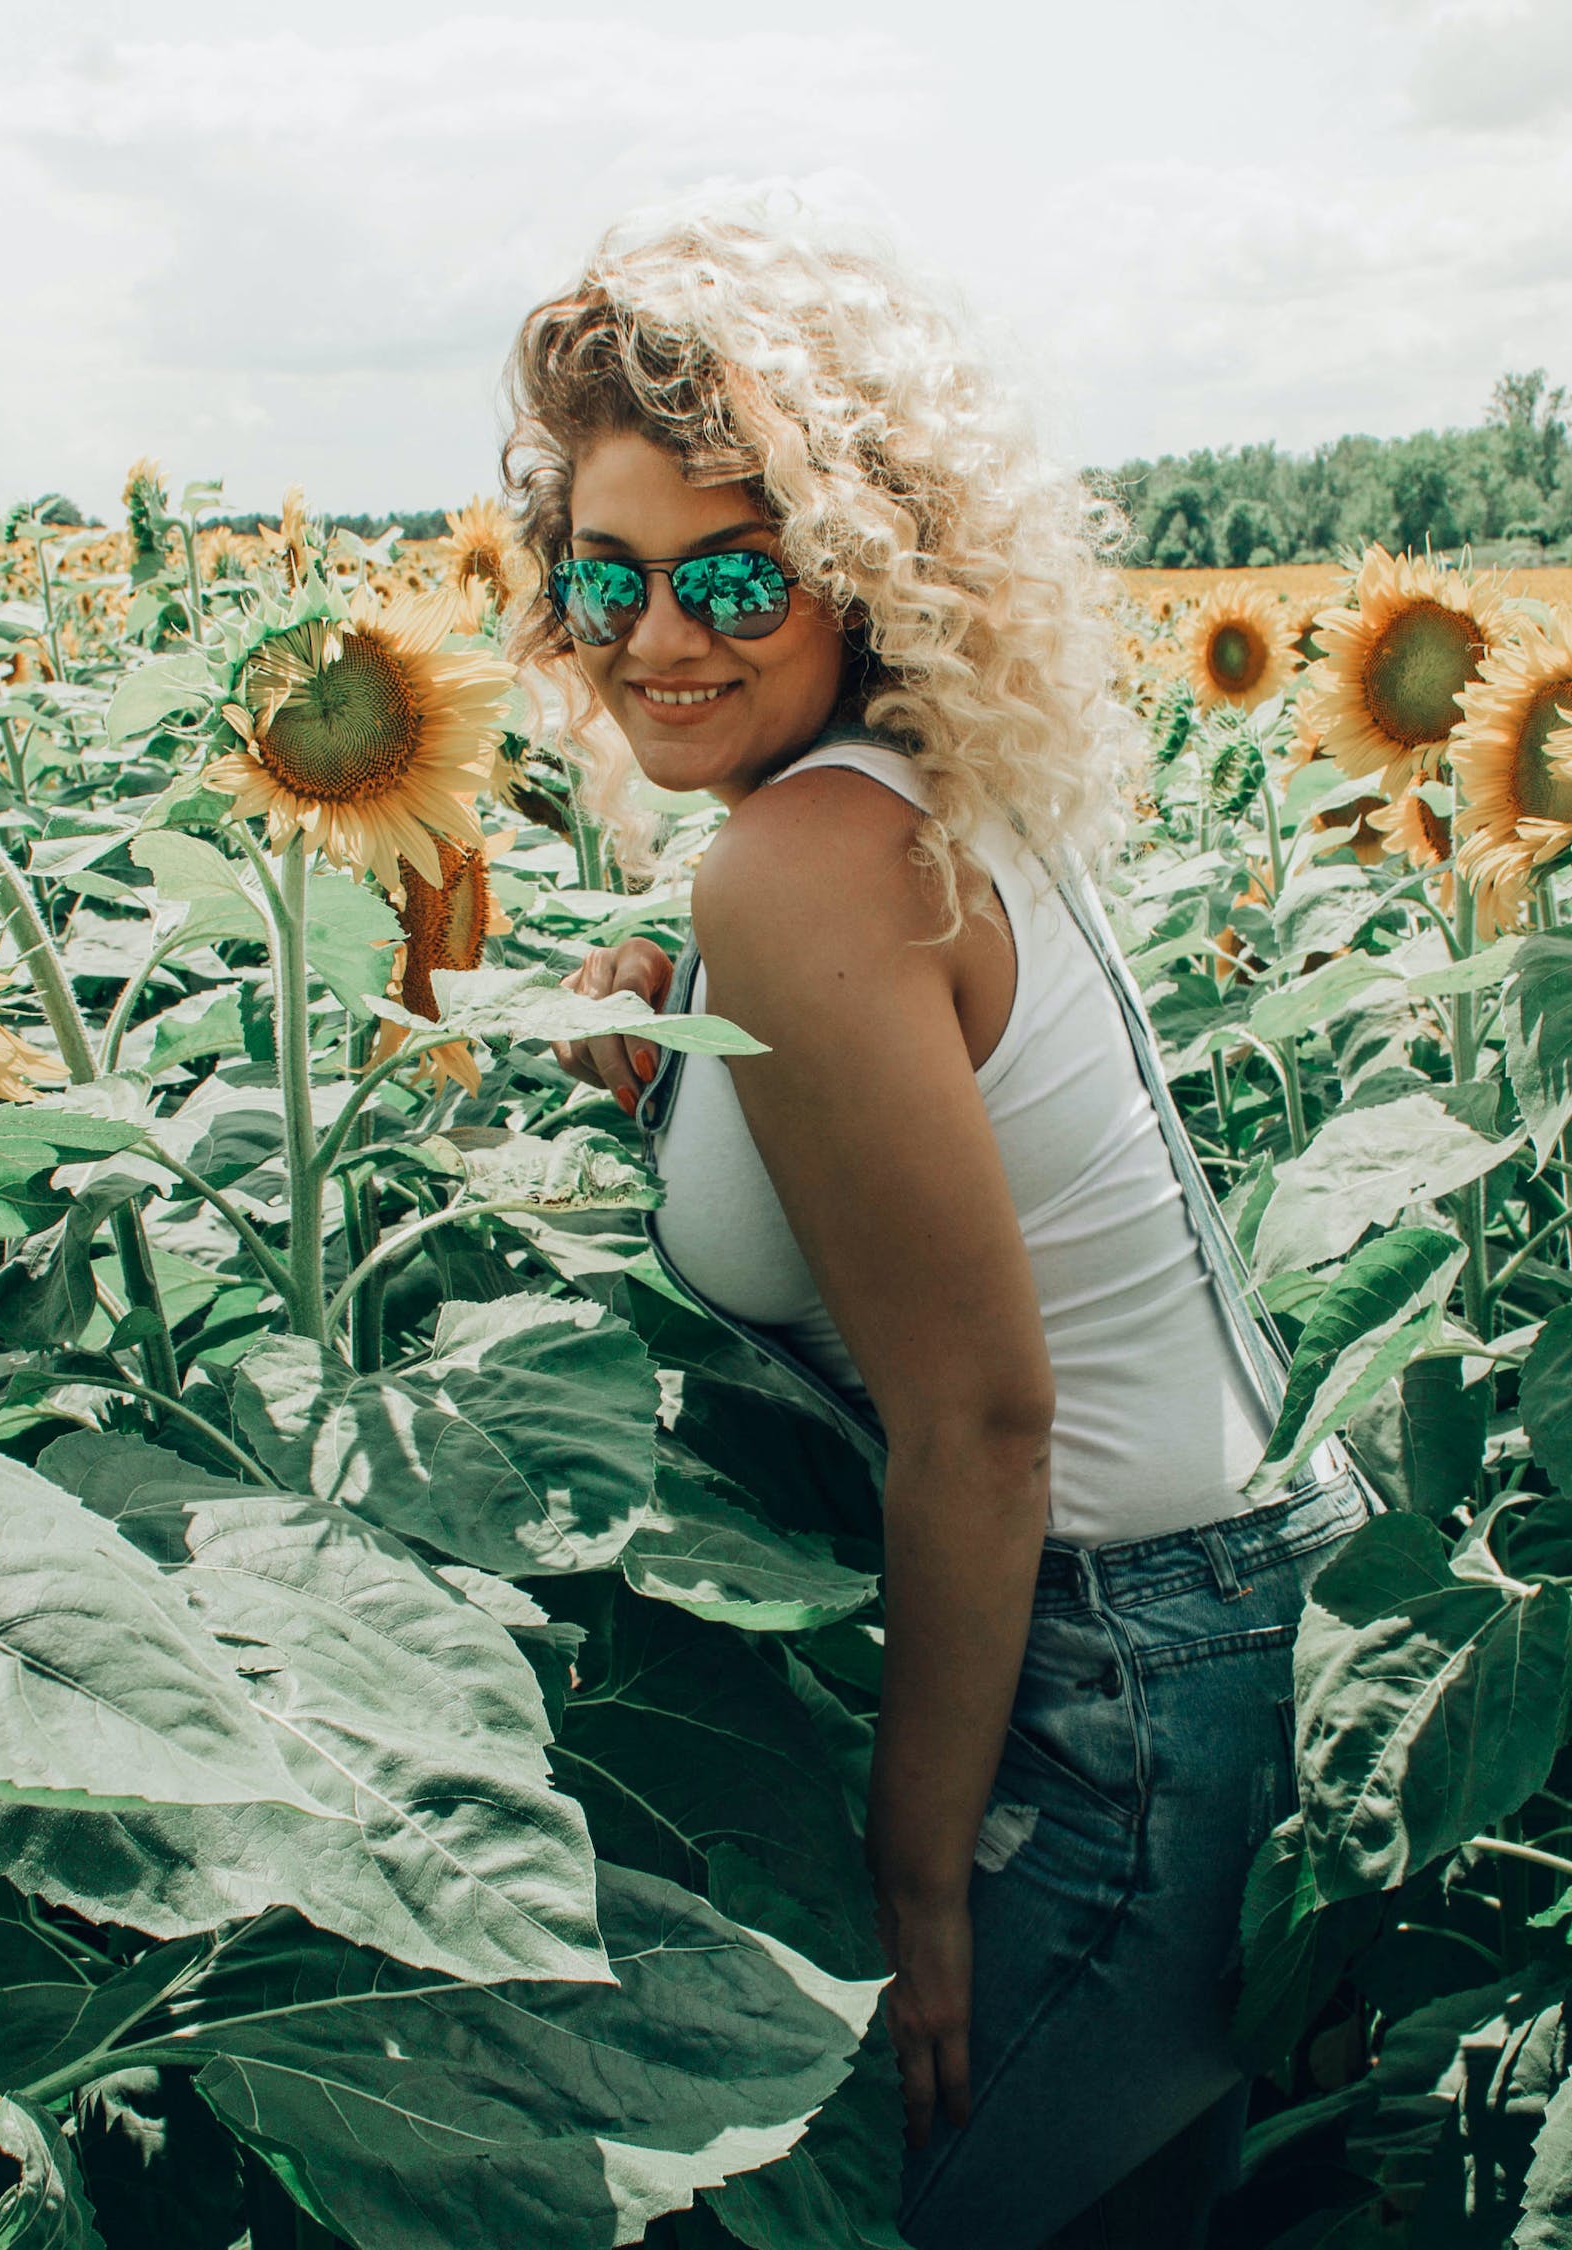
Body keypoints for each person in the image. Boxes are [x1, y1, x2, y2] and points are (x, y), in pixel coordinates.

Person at [508, 204, 1368, 2250]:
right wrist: (680, 1078)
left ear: (858, 572)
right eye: (602, 578)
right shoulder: (895, 795)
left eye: (731, 571)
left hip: (1113, 1683)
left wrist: (909, 1884)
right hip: (1243, 1620)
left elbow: (978, 1415)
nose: (655, 638)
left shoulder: (797, 870)